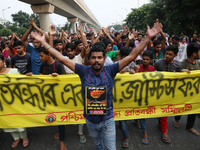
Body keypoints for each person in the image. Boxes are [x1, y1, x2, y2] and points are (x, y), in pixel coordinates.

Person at [31, 20, 163, 150]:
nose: (96, 61)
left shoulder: (110, 70)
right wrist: (43, 42)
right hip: (90, 121)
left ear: (104, 58)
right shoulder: (83, 71)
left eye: (99, 58)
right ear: (89, 59)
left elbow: (132, 56)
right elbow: (61, 58)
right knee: (98, 146)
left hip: (108, 121)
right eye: (93, 57)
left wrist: (148, 38)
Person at [155, 45, 189, 143]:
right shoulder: (158, 64)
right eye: (166, 53)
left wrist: (182, 72)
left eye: (170, 54)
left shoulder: (178, 65)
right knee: (162, 111)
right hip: (158, 92)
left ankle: (163, 129)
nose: (167, 56)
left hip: (171, 93)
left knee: (164, 112)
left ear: (175, 55)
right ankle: (163, 128)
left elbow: (179, 77)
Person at [38, 47, 67, 150]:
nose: (40, 58)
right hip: (48, 97)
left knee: (60, 117)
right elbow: (40, 75)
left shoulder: (58, 65)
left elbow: (66, 80)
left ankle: (62, 140)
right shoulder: (43, 65)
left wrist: (58, 76)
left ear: (48, 55)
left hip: (59, 97)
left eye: (41, 56)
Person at [0, 55, 29, 148]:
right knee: (8, 122)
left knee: (19, 120)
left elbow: (22, 85)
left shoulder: (14, 71)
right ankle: (16, 138)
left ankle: (24, 137)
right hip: (3, 105)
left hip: (16, 102)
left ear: (3, 60)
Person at [174, 43, 200, 136]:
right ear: (194, 53)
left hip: (195, 92)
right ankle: (177, 119)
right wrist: (181, 71)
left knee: (194, 108)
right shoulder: (183, 63)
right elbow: (176, 74)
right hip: (183, 91)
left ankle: (190, 126)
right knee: (180, 106)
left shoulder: (198, 63)